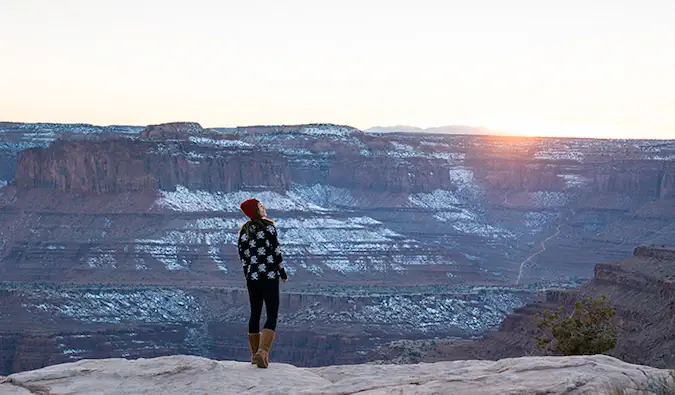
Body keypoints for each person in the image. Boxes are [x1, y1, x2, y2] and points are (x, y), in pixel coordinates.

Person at [238, 198, 288, 368]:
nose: (263, 207)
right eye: (260, 206)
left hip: (253, 278)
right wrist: (282, 272)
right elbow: (276, 251)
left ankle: (254, 355)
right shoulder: (268, 227)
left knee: (255, 313)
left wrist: (249, 275)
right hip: (269, 275)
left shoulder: (244, 231)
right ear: (255, 210)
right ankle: (263, 351)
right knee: (272, 313)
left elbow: (243, 257)